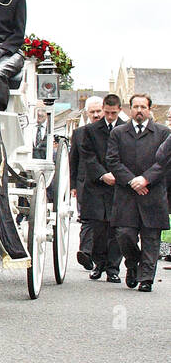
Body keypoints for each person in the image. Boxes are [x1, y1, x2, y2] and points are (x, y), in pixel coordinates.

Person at [105, 93, 168, 292]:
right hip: (126, 194)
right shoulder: (118, 133)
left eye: (143, 107)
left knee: (151, 238)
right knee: (124, 235)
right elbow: (112, 160)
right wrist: (132, 180)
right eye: (135, 107)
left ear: (150, 109)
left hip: (153, 192)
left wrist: (146, 178)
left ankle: (147, 279)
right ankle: (133, 265)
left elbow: (166, 161)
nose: (139, 111)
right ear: (129, 109)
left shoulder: (163, 133)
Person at [79, 94, 124, 282]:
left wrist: (119, 175)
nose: (110, 116)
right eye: (107, 112)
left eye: (114, 113)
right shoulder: (90, 130)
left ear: (120, 110)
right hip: (97, 185)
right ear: (103, 108)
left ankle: (113, 268)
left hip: (119, 185)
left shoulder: (126, 129)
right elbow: (87, 155)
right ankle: (99, 264)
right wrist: (102, 174)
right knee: (98, 227)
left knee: (116, 228)